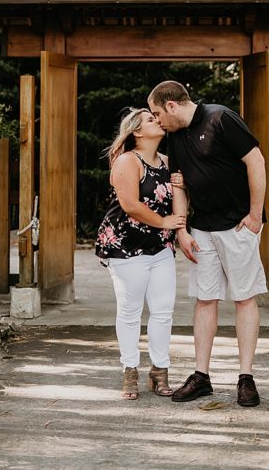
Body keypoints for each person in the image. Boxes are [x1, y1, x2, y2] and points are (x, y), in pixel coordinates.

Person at [147, 81, 268, 408]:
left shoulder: (221, 118)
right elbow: (178, 185)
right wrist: (182, 229)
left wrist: (255, 215)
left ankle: (246, 378)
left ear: (171, 106)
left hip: (238, 225)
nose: (157, 121)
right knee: (205, 299)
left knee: (244, 298)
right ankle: (201, 376)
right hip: (201, 230)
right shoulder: (173, 137)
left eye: (158, 113)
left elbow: (256, 161)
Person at [95, 108, 189, 400]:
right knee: (130, 311)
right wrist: (164, 222)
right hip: (125, 246)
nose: (157, 121)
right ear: (136, 131)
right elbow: (130, 204)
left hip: (160, 247)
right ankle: (130, 370)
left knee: (163, 311)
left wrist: (179, 225)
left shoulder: (168, 162)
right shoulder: (126, 161)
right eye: (150, 119)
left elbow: (180, 196)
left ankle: (160, 371)